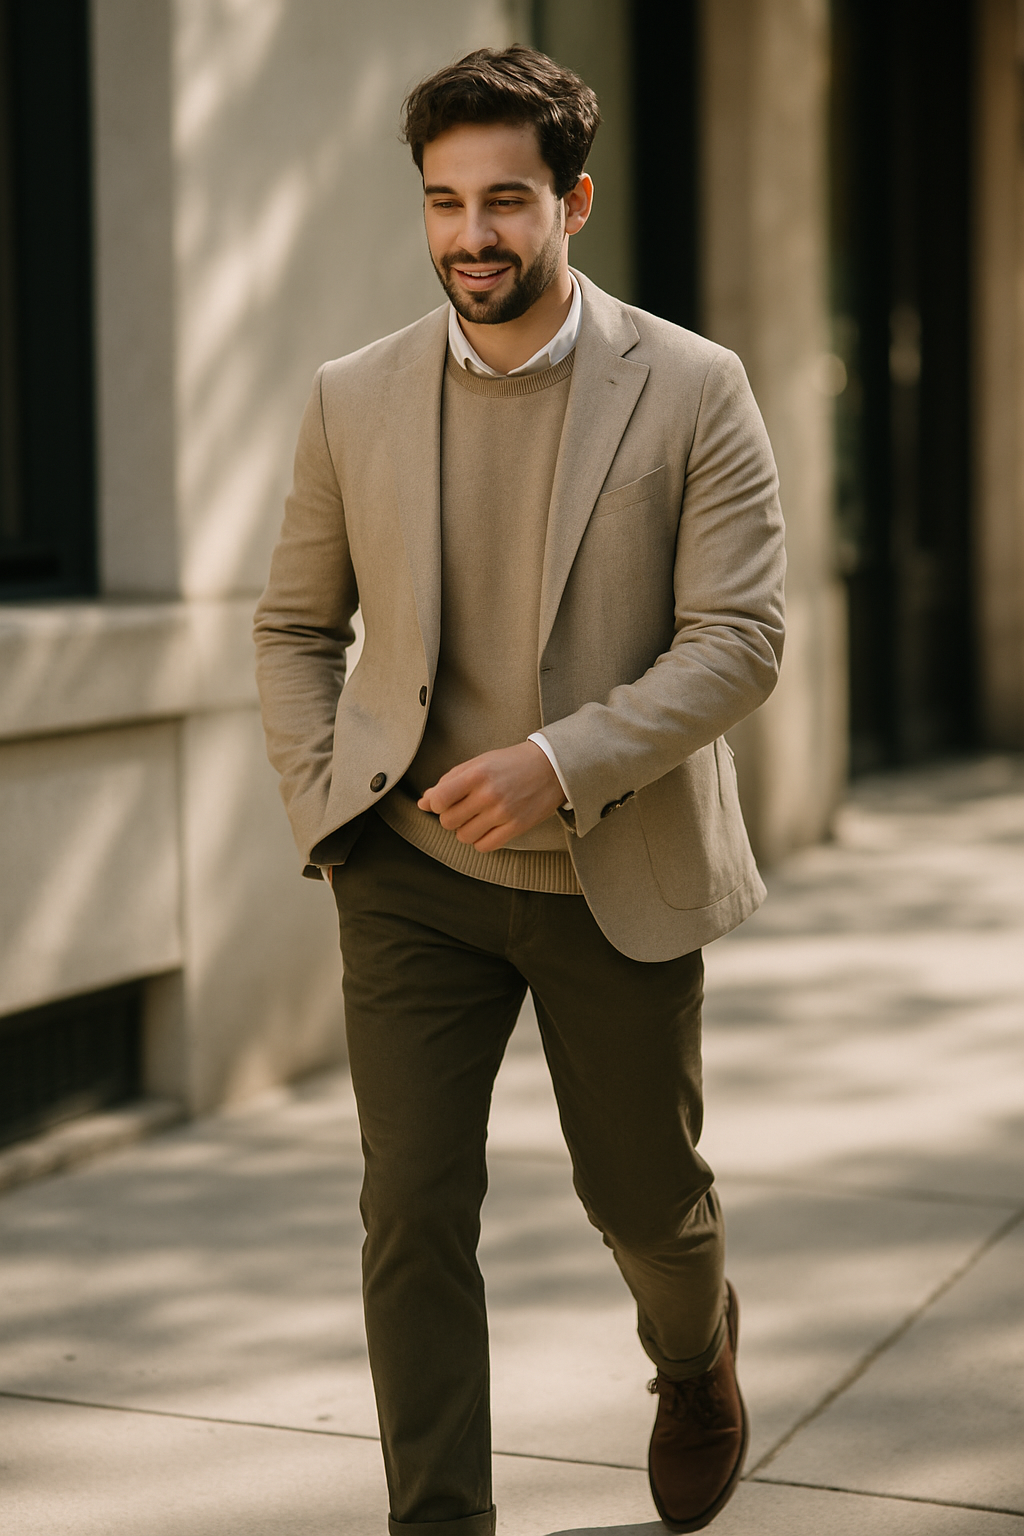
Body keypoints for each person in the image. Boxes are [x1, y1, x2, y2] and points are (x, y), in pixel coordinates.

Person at [254, 45, 785, 1536]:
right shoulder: (354, 394)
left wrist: (559, 759)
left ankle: (694, 1357)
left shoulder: (692, 386)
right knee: (413, 1212)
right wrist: (330, 806)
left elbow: (742, 641)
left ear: (574, 201)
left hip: (613, 870)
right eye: (441, 204)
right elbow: (295, 626)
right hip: (411, 877)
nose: (469, 237)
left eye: (503, 202)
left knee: (643, 1204)